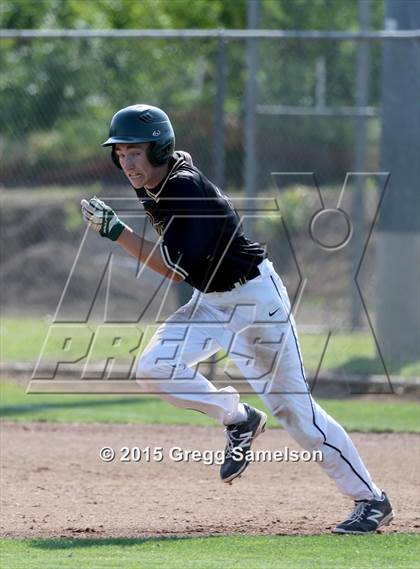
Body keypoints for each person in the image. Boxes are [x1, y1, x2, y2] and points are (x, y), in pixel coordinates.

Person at [81, 104, 393, 534]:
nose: (127, 162)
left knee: (295, 412)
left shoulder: (183, 188)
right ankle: (239, 417)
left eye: (136, 151)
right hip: (212, 300)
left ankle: (371, 500)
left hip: (253, 302)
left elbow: (174, 268)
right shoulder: (155, 178)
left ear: (160, 149)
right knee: (154, 367)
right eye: (120, 152)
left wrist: (116, 233)